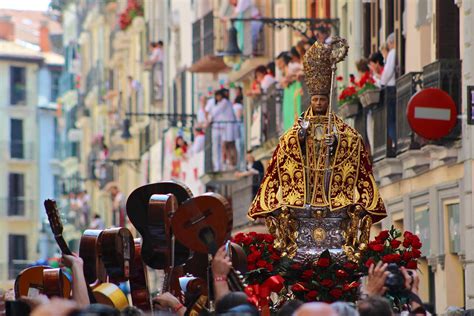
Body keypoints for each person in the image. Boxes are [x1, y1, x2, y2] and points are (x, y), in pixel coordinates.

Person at [248, 38, 387, 262]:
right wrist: (301, 139)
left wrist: (338, 143)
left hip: (330, 186)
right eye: (316, 99)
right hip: (307, 188)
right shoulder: (298, 128)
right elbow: (285, 147)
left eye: (323, 99)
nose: (320, 103)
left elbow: (354, 142)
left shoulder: (340, 129)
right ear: (310, 100)